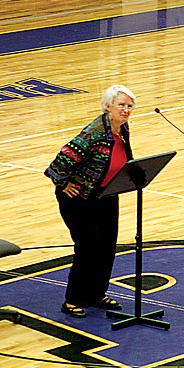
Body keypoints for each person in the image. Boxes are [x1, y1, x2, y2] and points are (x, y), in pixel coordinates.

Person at [44, 85, 135, 318]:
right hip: (79, 199)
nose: (126, 110)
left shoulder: (121, 128)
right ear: (108, 107)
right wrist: (64, 184)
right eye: (121, 105)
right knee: (87, 248)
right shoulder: (93, 134)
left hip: (106, 195)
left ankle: (96, 293)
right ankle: (73, 299)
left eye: (129, 106)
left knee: (106, 247)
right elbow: (57, 166)